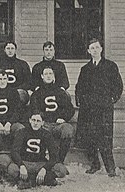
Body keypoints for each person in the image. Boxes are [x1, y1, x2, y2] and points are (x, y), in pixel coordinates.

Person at [75, 38, 123, 177]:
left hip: (103, 108)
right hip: (88, 108)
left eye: (97, 47)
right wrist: (80, 100)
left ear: (101, 49)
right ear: (88, 51)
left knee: (105, 138)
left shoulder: (110, 66)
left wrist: (113, 98)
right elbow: (79, 86)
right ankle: (94, 164)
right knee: (89, 137)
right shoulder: (85, 69)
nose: (95, 50)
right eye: (92, 48)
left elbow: (118, 85)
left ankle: (110, 168)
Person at [11, 111, 68, 189]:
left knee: (62, 170)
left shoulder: (46, 134)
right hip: (25, 163)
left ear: (42, 123)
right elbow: (14, 151)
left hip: (40, 163)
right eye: (33, 120)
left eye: (38, 121)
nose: (35, 123)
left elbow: (54, 155)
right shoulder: (22, 132)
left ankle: (29, 181)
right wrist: (21, 165)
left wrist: (44, 169)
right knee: (12, 169)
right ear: (29, 120)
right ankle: (45, 180)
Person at [30, 67, 75, 164]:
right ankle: (42, 160)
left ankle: (59, 161)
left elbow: (70, 108)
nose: (48, 76)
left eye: (50, 73)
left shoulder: (60, 92)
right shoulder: (37, 93)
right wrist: (40, 120)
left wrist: (63, 117)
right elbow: (33, 109)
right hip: (44, 124)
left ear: (54, 76)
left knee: (68, 129)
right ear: (42, 76)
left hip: (57, 125)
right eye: (46, 74)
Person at [0, 69, 27, 150]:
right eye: (0, 79)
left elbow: (18, 111)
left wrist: (9, 123)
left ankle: (16, 152)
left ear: (7, 79)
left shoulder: (13, 92)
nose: (2, 81)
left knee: (21, 129)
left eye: (4, 79)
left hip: (10, 123)